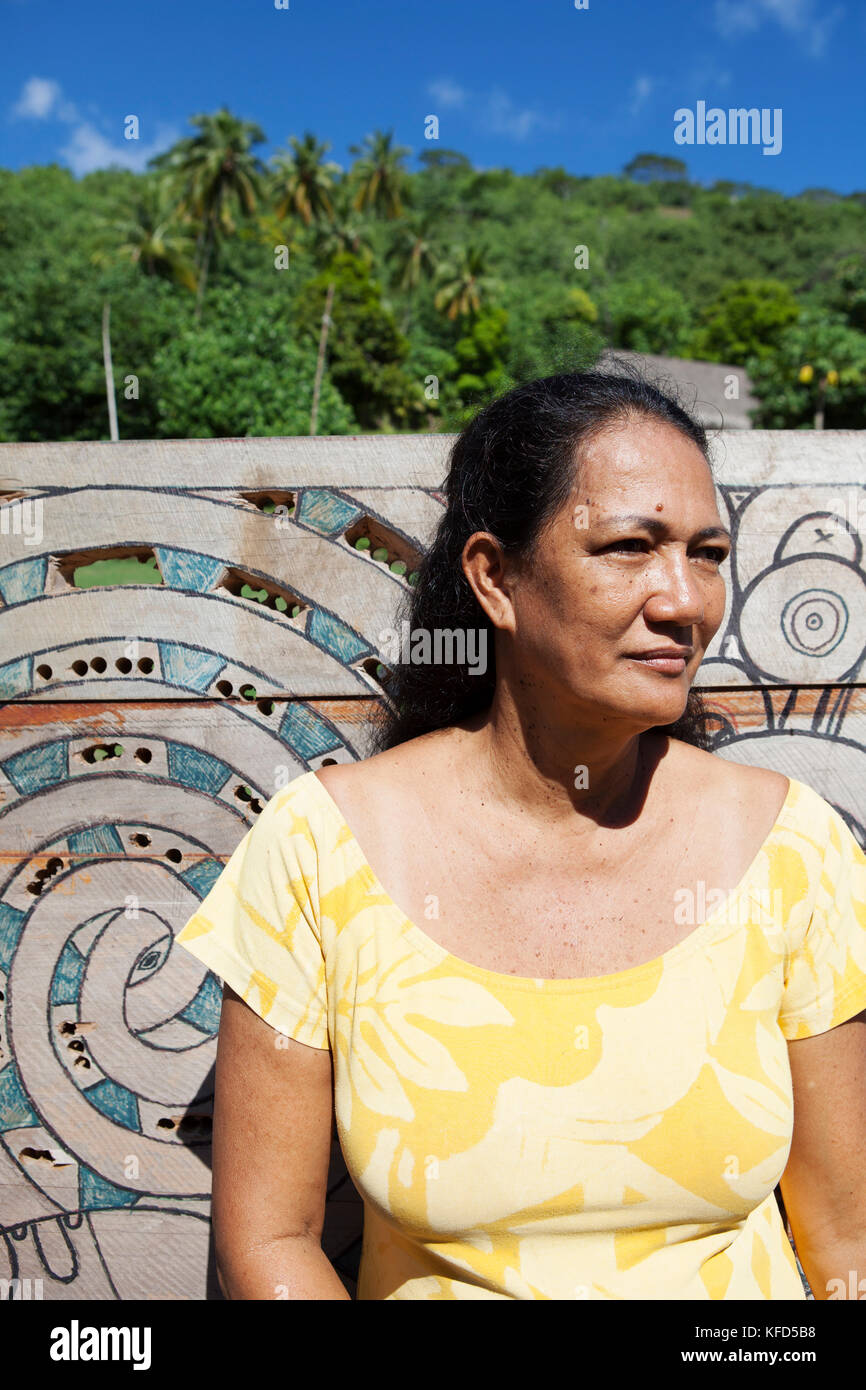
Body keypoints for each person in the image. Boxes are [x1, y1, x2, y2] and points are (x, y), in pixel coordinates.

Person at [176, 371, 866, 1301]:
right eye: (629, 547)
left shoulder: (791, 848)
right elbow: (271, 1240)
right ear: (495, 578)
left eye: (707, 554)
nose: (684, 601)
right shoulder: (322, 850)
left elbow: (844, 1234)